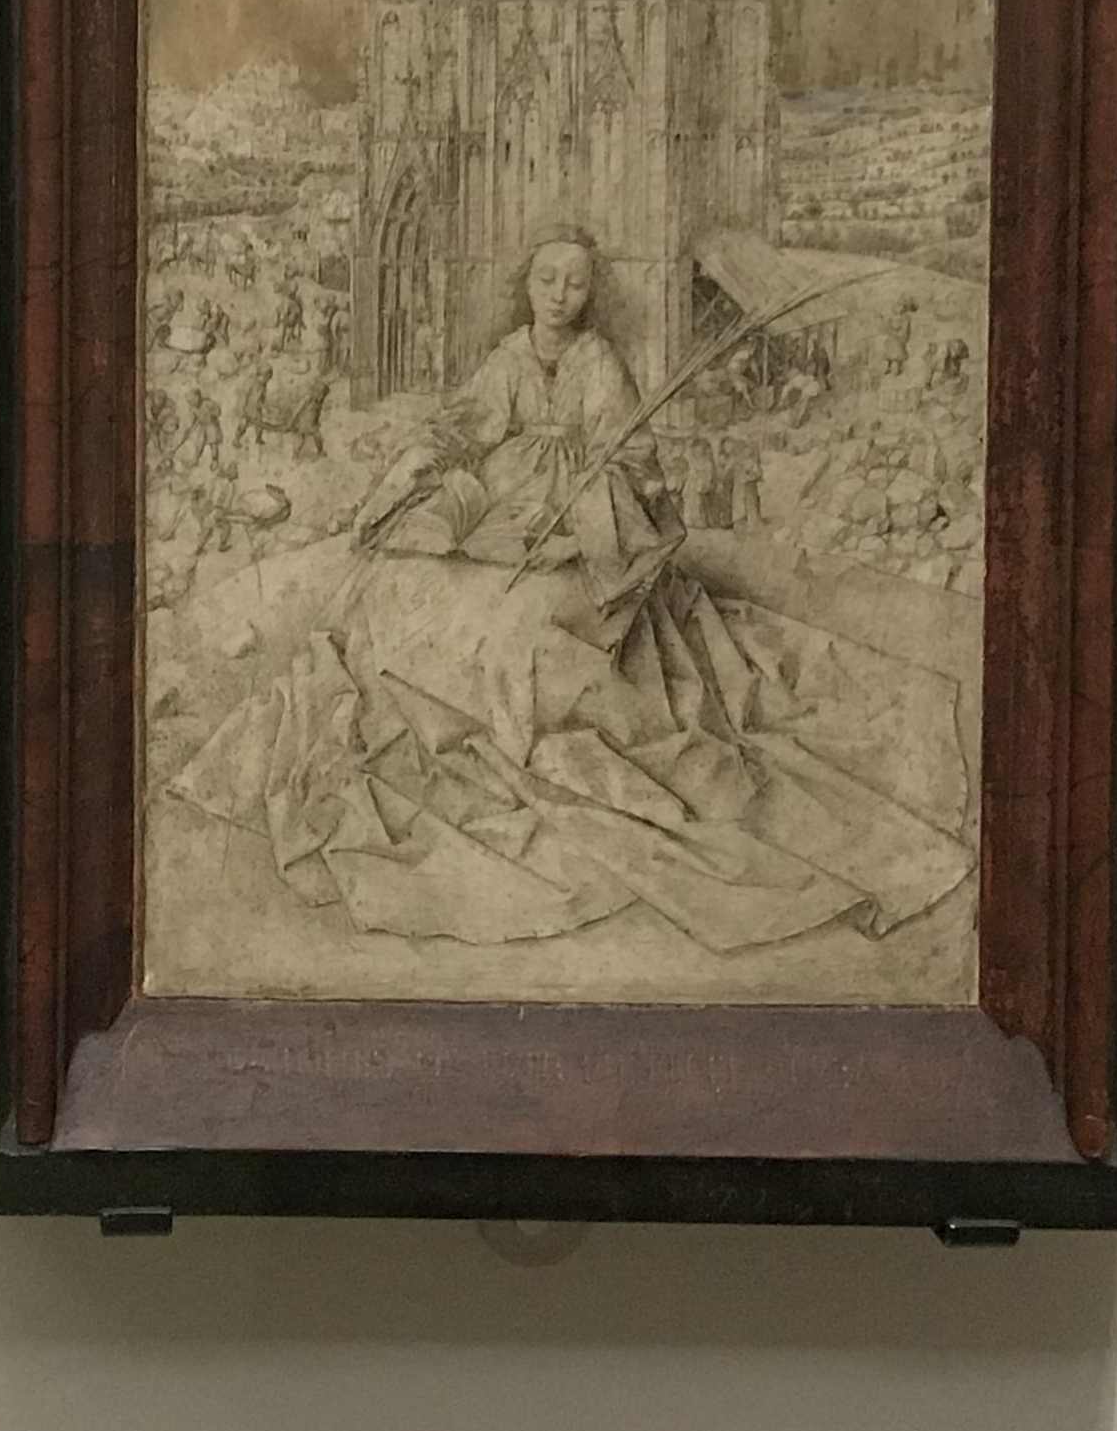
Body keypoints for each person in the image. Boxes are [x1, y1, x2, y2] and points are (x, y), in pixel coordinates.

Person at [170, 229, 969, 955]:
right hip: (499, 503)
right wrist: (428, 460)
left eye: (576, 283)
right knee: (404, 585)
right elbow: (467, 425)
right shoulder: (508, 358)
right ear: (527, 286)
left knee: (528, 624)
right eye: (548, 279)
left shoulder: (599, 363)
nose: (560, 295)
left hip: (582, 521)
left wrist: (595, 481)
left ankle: (524, 715)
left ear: (591, 294)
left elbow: (634, 457)